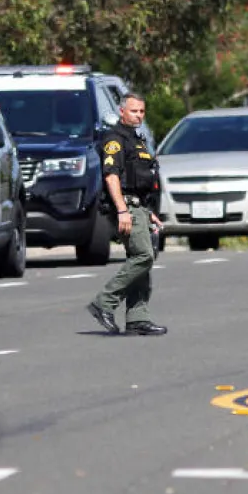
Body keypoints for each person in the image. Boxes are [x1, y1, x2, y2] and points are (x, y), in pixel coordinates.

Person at [86, 92, 168, 336]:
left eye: (142, 111)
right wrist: (122, 210)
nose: (138, 115)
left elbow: (138, 179)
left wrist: (148, 212)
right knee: (143, 256)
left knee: (142, 259)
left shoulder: (137, 140)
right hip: (126, 207)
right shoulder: (115, 139)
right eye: (134, 111)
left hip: (138, 207)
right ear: (121, 111)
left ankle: (137, 318)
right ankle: (104, 303)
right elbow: (111, 176)